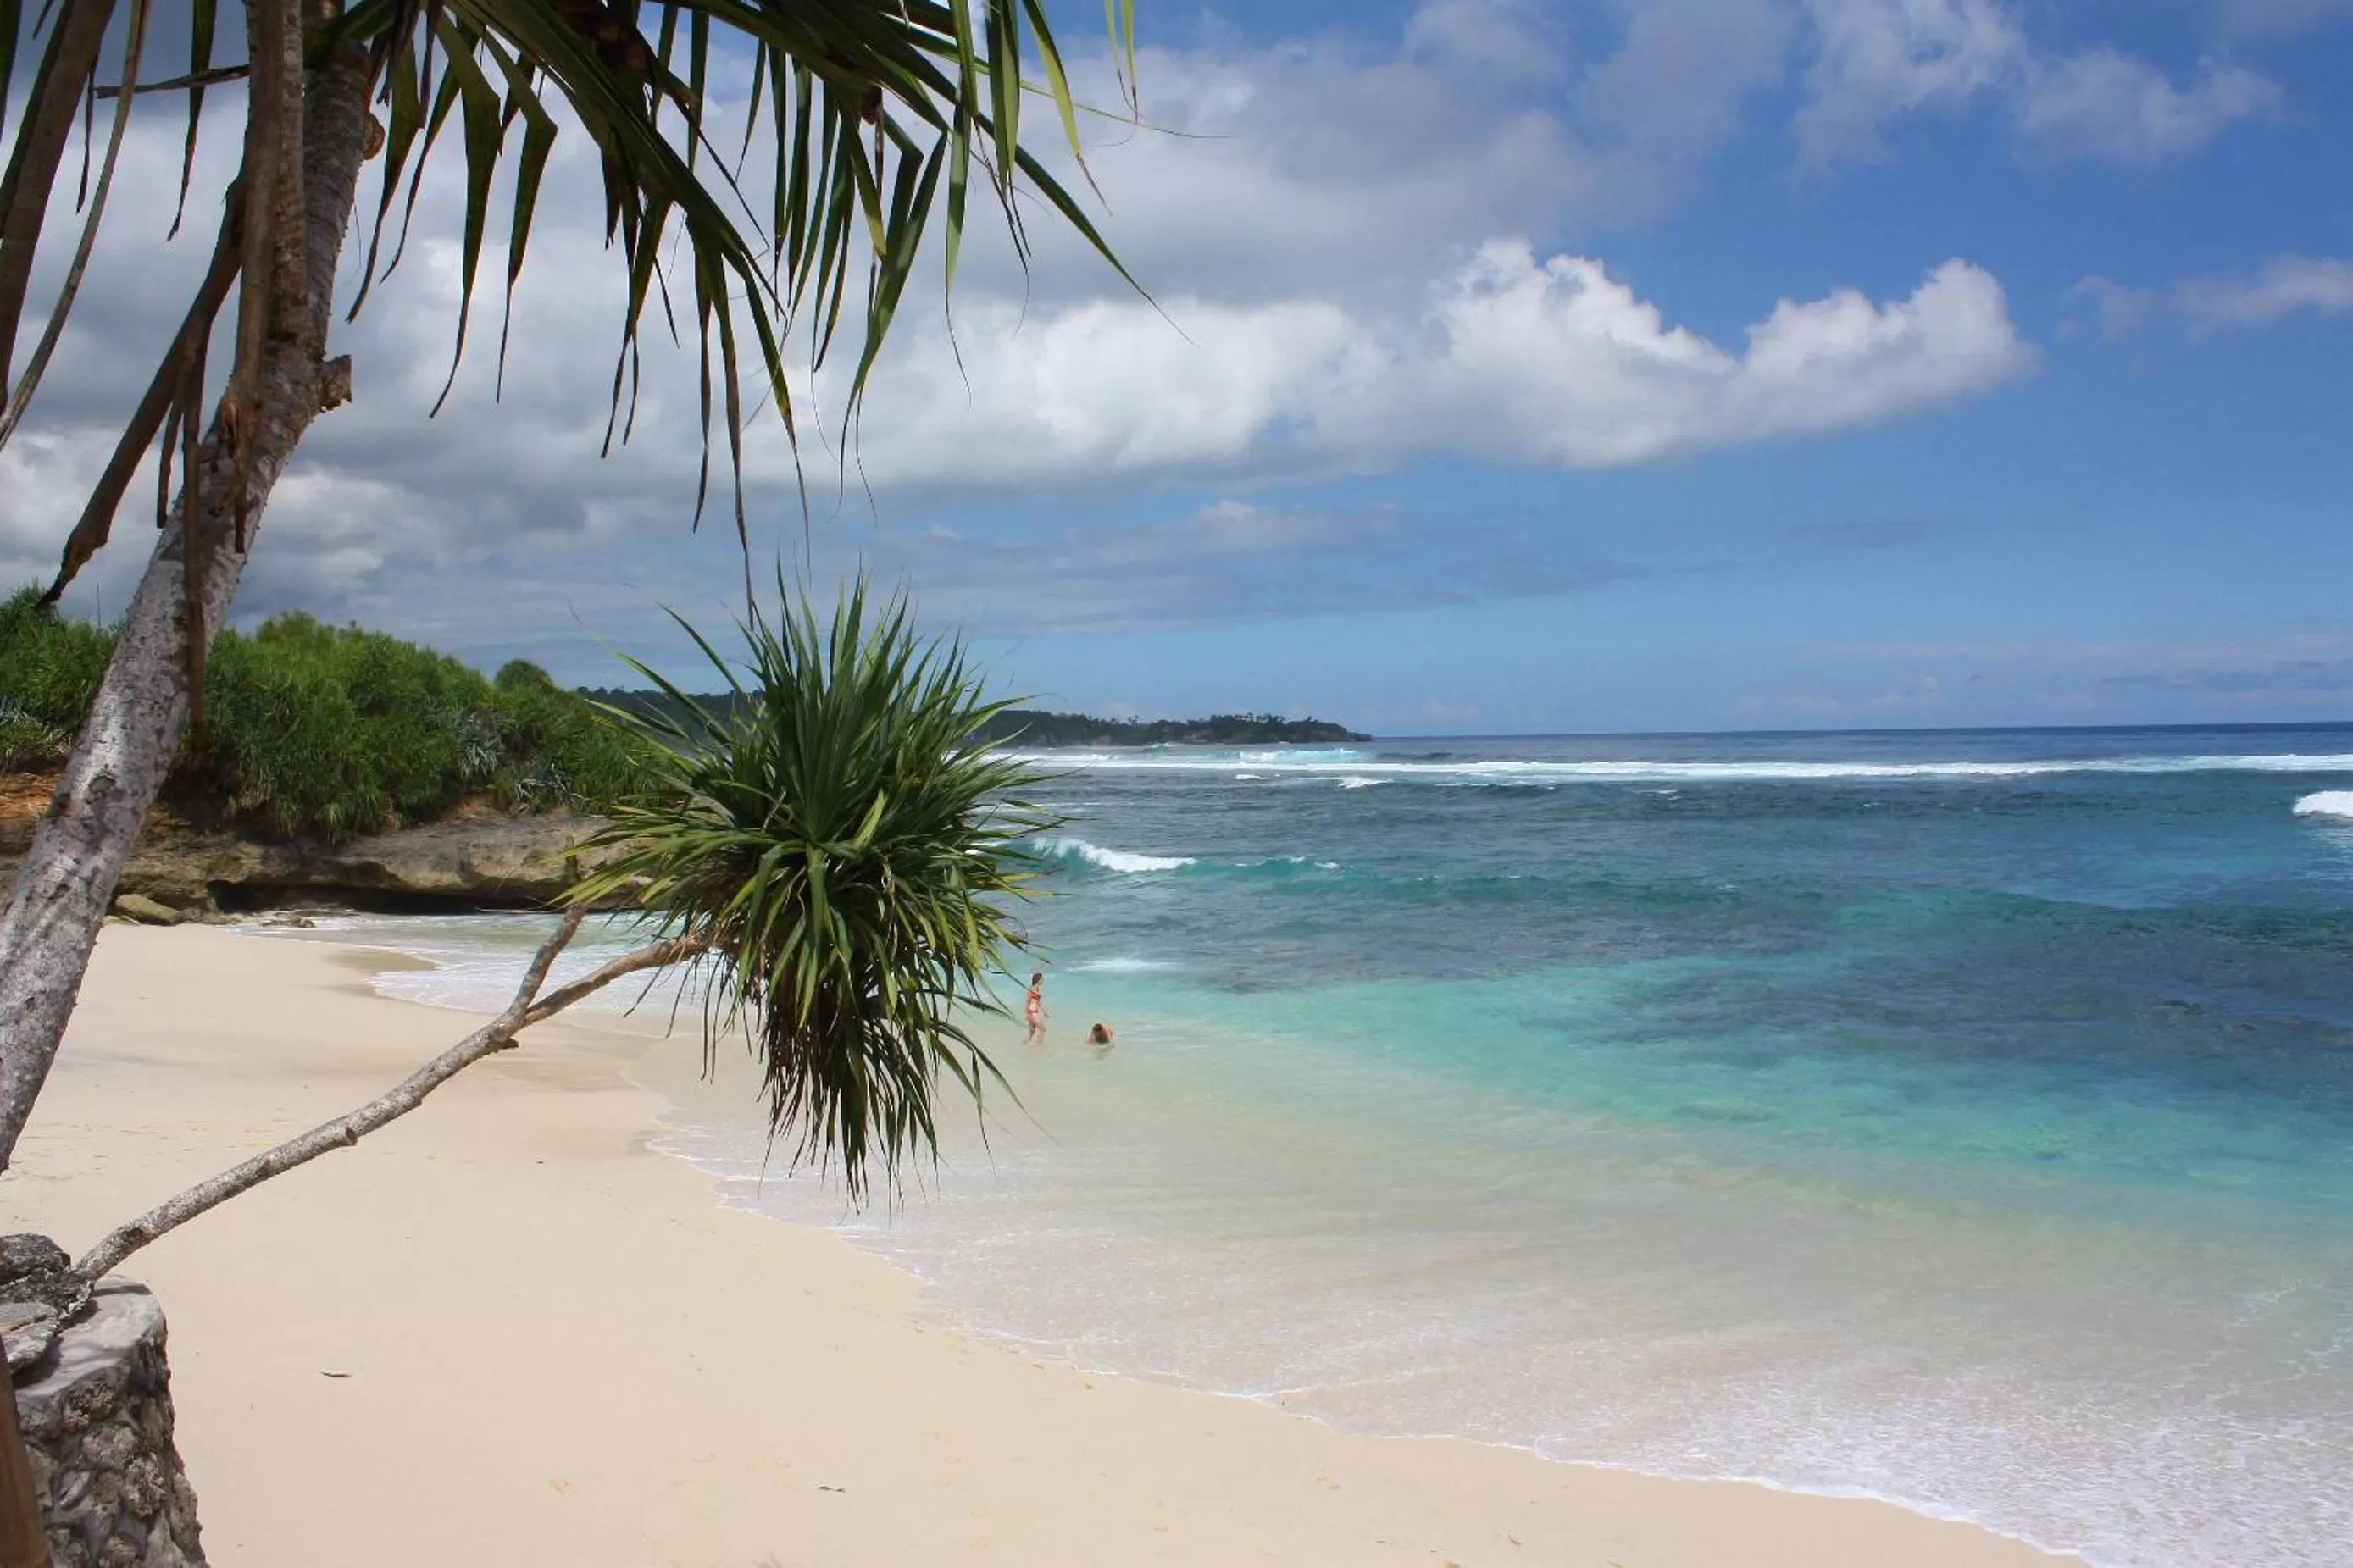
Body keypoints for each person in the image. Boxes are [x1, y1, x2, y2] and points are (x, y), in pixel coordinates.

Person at [1024, 972, 1047, 1042]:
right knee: (1043, 1029)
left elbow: (1038, 1003)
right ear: (1038, 980)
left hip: (1035, 1011)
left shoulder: (1037, 989)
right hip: (1032, 1012)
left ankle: (1024, 1044)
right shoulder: (1031, 988)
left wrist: (1044, 1012)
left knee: (1032, 1032)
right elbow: (1027, 1001)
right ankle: (1039, 1044)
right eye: (1042, 979)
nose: (1043, 980)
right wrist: (1027, 1014)